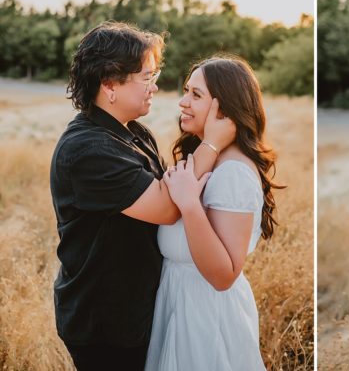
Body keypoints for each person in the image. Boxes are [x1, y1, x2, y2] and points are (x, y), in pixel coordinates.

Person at [50, 22, 234, 370]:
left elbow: (171, 188)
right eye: (146, 77)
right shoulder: (87, 150)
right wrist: (213, 142)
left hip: (135, 308)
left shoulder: (132, 131)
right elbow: (168, 206)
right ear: (109, 85)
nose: (156, 86)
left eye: (155, 74)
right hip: (105, 322)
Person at [145, 55, 283, 370]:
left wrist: (191, 205)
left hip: (207, 319)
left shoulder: (232, 173)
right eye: (186, 91)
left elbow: (223, 275)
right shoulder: (210, 158)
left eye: (196, 95)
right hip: (181, 304)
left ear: (224, 108)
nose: (183, 102)